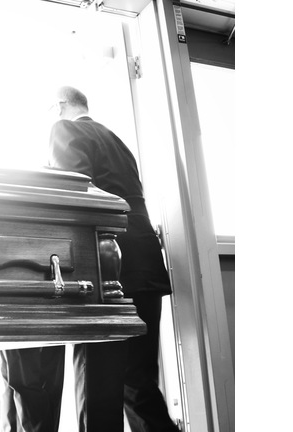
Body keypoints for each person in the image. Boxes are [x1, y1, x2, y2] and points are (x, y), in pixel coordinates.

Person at [48, 86, 178, 432]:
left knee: (97, 387)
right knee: (138, 379)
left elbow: (73, 192)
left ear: (60, 106)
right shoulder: (117, 141)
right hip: (146, 262)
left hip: (108, 267)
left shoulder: (65, 129)